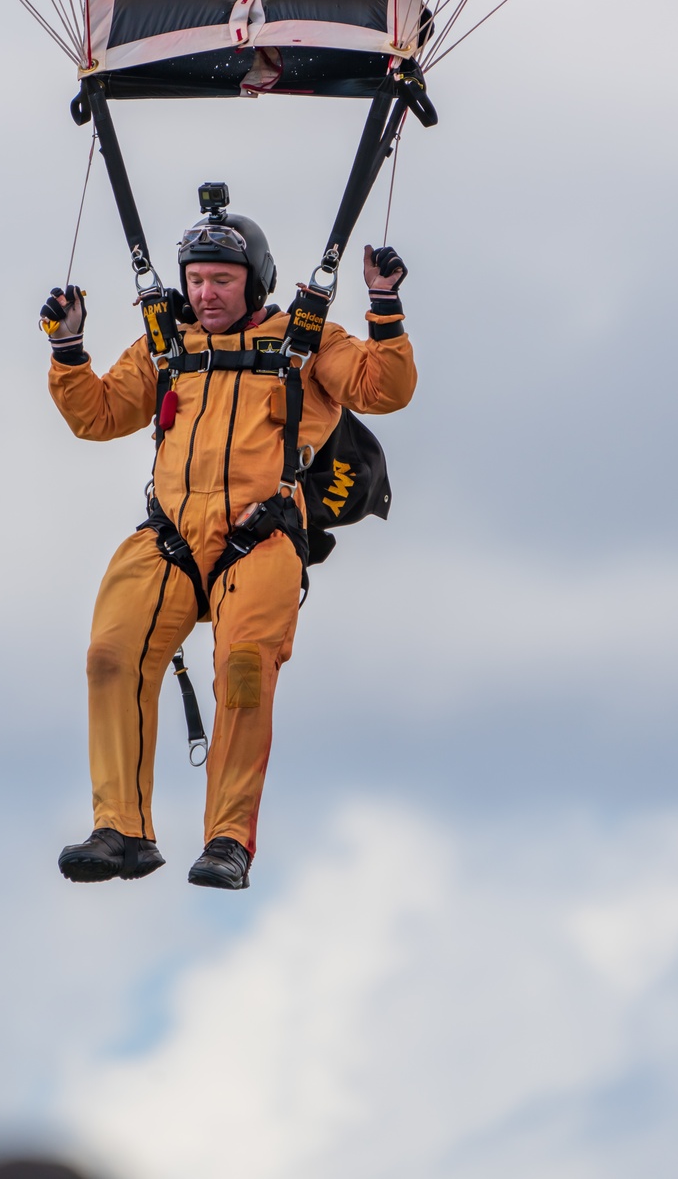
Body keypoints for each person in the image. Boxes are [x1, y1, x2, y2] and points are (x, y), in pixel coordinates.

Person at [41, 196, 416, 890]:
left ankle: (227, 840)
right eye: (197, 280)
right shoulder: (167, 346)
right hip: (170, 535)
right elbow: (98, 416)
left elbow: (383, 389)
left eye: (221, 280)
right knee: (109, 655)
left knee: (244, 671)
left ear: (255, 281)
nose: (205, 295)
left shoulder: (306, 344)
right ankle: (121, 827)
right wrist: (68, 348)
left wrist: (384, 307)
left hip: (262, 535)